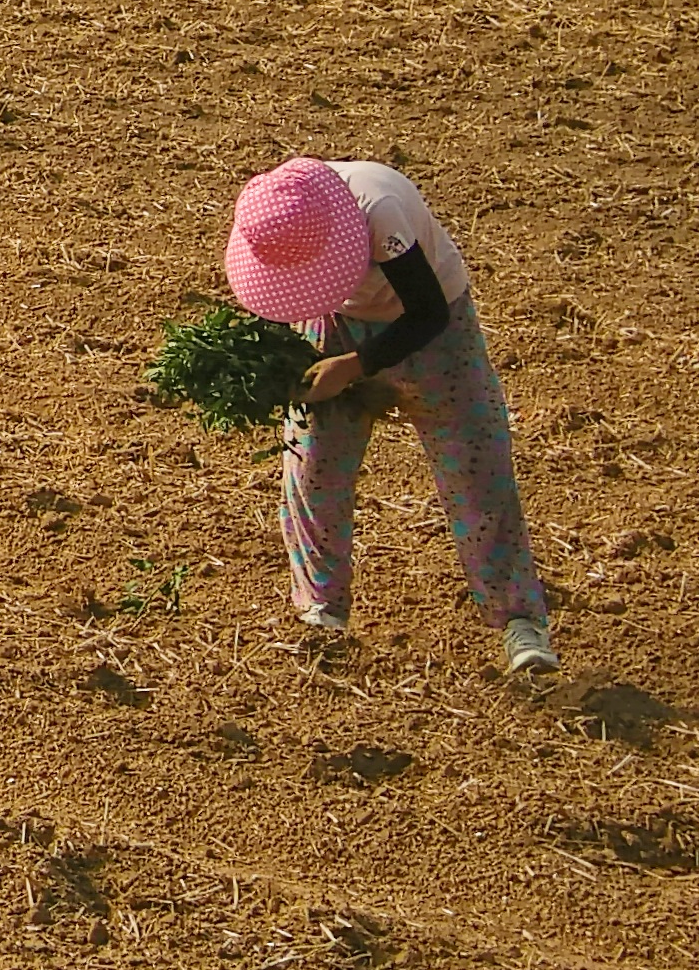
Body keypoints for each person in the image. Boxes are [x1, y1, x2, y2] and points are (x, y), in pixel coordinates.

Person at [223, 155, 557, 678]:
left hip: (433, 336)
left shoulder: (379, 208)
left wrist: (356, 366)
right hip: (336, 325)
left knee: (477, 468)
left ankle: (519, 619)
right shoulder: (280, 218)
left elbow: (428, 311)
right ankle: (321, 609)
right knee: (314, 464)